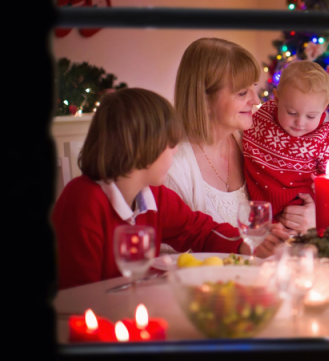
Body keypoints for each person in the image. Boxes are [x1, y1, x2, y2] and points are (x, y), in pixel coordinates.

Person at [52, 88, 255, 290]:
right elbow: (78, 297)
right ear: (142, 147)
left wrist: (244, 243)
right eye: (170, 143)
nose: (175, 150)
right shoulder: (83, 203)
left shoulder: (152, 196)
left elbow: (199, 231)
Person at [165, 38, 309, 255]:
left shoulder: (253, 144)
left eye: (253, 88)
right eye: (242, 93)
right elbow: (167, 254)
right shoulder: (173, 165)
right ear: (204, 99)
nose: (256, 99)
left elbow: (294, 190)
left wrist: (309, 215)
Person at [242, 60, 329, 215]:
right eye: (292, 113)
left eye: (311, 116)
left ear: (324, 107)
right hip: (258, 205)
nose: (300, 123)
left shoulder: (322, 137)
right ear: (277, 98)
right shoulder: (262, 117)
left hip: (299, 208)